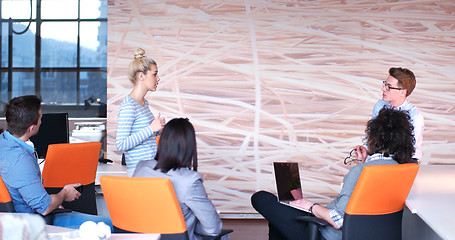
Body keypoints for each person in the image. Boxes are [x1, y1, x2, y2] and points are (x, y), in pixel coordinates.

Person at [251, 108, 415, 240]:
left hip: (325, 233)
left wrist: (309, 205)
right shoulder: (400, 169)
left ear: (376, 138)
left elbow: (338, 220)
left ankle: (295, 203)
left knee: (261, 198)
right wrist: (363, 164)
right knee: (278, 218)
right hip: (362, 234)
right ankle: (293, 204)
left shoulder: (361, 172)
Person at [0, 95, 112, 231]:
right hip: (34, 224)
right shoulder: (21, 160)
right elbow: (45, 207)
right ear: (31, 127)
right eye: (40, 118)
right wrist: (64, 194)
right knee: (108, 226)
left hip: (13, 220)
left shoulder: (4, 143)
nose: (42, 121)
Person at [133, 118, 225, 240]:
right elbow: (213, 229)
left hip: (141, 236)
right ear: (190, 146)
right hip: (176, 237)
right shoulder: (189, 181)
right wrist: (193, 226)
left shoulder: (141, 167)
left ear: (162, 141)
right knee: (222, 236)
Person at [355, 67, 424, 162]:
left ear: (402, 92)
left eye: (389, 87)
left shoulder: (415, 115)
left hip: (405, 161)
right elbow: (373, 137)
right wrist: (366, 153)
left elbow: (412, 151)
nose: (383, 89)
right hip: (380, 159)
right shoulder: (379, 106)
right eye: (384, 84)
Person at [116, 48, 166, 176]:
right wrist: (151, 128)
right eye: (154, 74)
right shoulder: (129, 106)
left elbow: (145, 139)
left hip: (150, 170)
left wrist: (158, 130)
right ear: (141, 76)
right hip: (139, 175)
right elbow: (121, 145)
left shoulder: (144, 104)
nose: (158, 78)